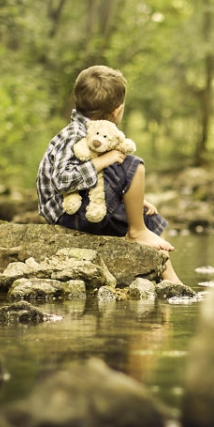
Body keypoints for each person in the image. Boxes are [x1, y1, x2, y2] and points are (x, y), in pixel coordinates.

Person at [36, 65, 181, 284]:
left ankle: (168, 277)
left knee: (143, 213)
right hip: (68, 213)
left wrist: (134, 198)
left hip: (86, 207)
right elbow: (61, 181)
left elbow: (102, 181)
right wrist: (103, 160)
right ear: (117, 110)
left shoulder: (92, 131)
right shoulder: (75, 135)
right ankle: (138, 232)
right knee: (134, 164)